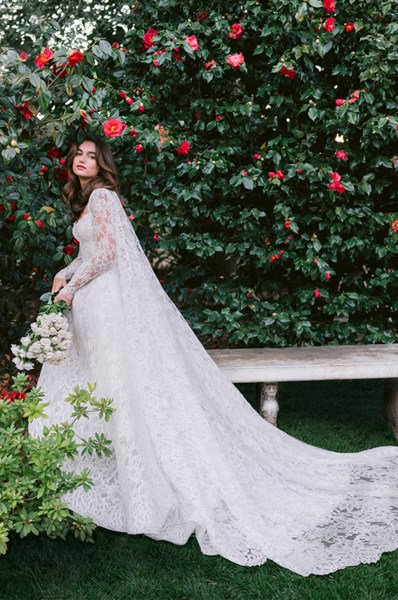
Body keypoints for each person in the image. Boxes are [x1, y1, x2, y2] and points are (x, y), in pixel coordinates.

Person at [29, 131, 398, 577]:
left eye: (92, 155)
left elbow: (108, 254)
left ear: (103, 164)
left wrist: (70, 286)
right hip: (93, 301)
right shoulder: (88, 201)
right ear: (71, 163)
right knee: (103, 383)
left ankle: (140, 479)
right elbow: (91, 250)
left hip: (104, 303)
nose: (84, 160)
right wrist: (63, 271)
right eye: (79, 155)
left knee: (118, 385)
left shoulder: (104, 197)